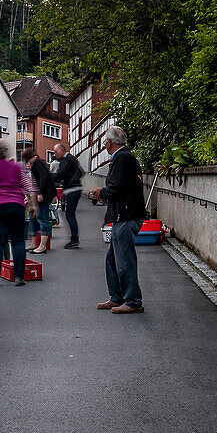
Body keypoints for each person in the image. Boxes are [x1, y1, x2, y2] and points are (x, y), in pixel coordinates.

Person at [91, 126, 146, 314]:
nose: (105, 145)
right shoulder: (125, 157)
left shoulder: (122, 159)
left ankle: (133, 300)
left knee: (124, 260)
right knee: (113, 259)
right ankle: (117, 297)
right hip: (125, 214)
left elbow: (116, 188)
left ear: (109, 142)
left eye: (105, 142)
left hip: (126, 215)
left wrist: (101, 192)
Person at [0, 139, 37, 286]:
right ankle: (19, 277)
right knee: (18, 241)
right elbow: (30, 186)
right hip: (16, 206)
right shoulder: (18, 168)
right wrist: (34, 204)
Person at [22, 148, 56, 254]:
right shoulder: (35, 165)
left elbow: (44, 178)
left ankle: (42, 246)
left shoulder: (38, 164)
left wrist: (40, 193)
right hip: (38, 195)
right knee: (34, 218)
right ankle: (34, 244)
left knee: (42, 219)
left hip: (43, 196)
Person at [53, 141, 84, 249]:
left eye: (56, 152)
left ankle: (74, 239)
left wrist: (47, 176)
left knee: (69, 215)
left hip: (72, 189)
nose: (55, 154)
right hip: (75, 188)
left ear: (62, 150)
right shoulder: (72, 159)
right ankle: (74, 239)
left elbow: (60, 175)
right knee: (70, 214)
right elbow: (81, 172)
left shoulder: (66, 160)